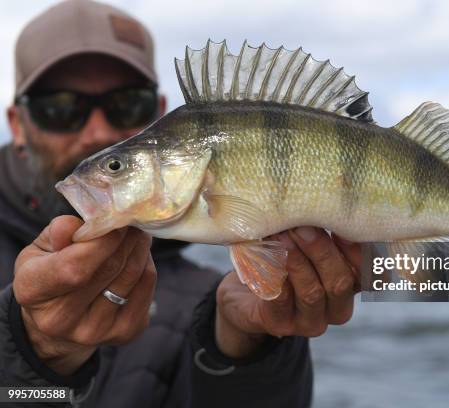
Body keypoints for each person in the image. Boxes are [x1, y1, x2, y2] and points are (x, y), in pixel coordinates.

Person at [0, 1, 363, 406]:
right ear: (16, 123)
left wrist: (246, 348)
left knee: (425, 274)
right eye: (61, 109)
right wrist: (29, 351)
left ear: (158, 114)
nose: (97, 131)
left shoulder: (211, 296)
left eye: (126, 104)